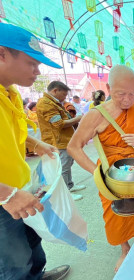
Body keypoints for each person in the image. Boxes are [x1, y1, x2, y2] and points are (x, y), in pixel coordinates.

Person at [0, 22, 70, 280]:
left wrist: (35, 143)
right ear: (2, 54)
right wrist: (6, 195)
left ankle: (37, 275)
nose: (37, 71)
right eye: (32, 63)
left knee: (31, 246)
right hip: (4, 197)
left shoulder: (9, 92)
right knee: (13, 264)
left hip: (18, 188)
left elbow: (10, 130)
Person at [67, 65, 134, 272]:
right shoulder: (96, 115)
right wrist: (98, 175)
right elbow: (73, 147)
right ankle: (124, 249)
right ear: (108, 88)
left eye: (132, 93)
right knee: (117, 214)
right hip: (111, 173)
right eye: (120, 94)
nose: (127, 99)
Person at [36, 81, 85, 201]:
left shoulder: (54, 103)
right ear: (55, 91)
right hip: (58, 141)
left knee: (68, 164)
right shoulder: (46, 103)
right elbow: (59, 124)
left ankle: (69, 185)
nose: (64, 98)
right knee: (63, 167)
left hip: (64, 140)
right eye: (63, 95)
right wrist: (78, 118)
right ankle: (65, 193)